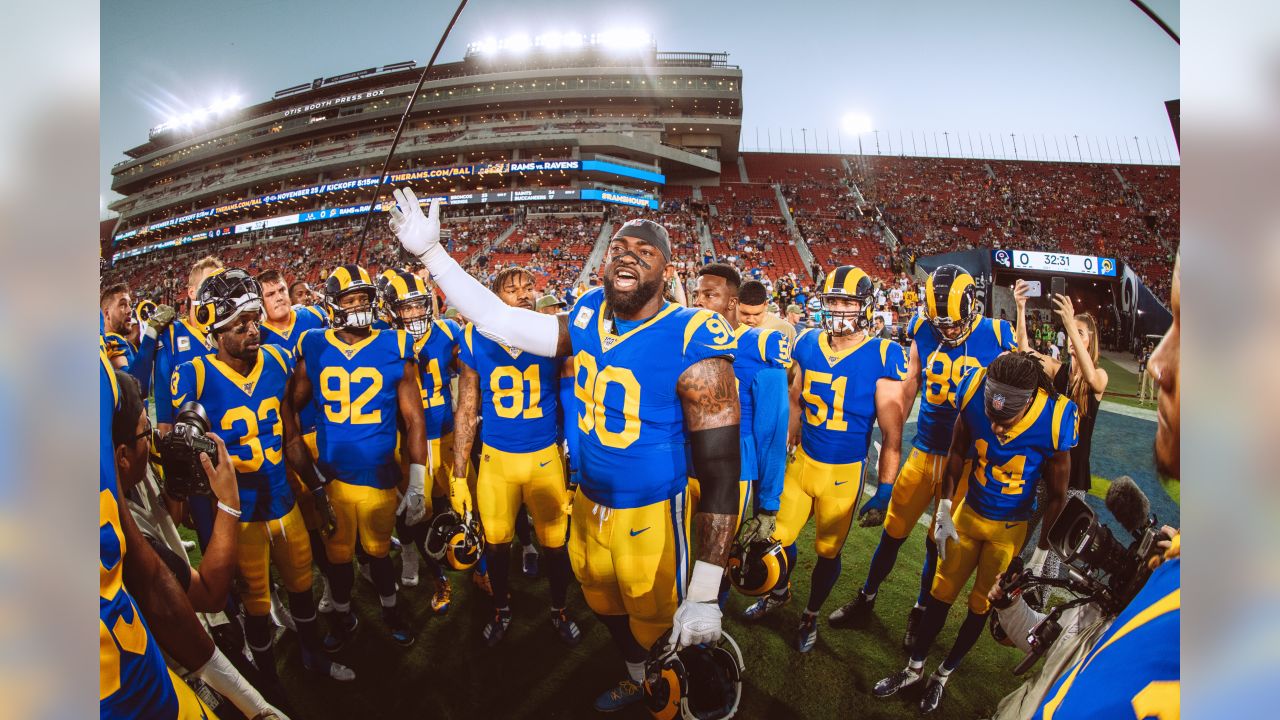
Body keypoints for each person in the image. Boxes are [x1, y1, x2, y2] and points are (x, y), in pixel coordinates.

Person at [390, 191, 741, 712]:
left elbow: (719, 471)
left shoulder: (692, 334)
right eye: (619, 247)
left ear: (666, 272)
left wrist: (707, 587)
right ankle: (639, 673)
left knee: (662, 621)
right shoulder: (587, 315)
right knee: (602, 601)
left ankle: (669, 692)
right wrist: (433, 256)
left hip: (651, 512)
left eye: (644, 252)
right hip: (588, 503)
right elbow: (503, 320)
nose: (628, 255)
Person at [173, 269, 352, 685]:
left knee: (302, 583)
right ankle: (269, 680)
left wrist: (318, 487)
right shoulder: (196, 374)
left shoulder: (275, 360)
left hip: (282, 499)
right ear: (216, 328)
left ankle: (311, 655)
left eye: (255, 320)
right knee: (255, 600)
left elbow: (291, 437)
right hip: (242, 513)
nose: (254, 330)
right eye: (241, 324)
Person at [873, 351, 1077, 714]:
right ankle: (914, 669)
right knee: (939, 594)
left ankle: (943, 675)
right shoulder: (972, 388)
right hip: (968, 514)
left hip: (1009, 529)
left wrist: (1042, 552)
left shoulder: (1056, 415)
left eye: (1006, 419)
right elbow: (956, 451)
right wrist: (946, 507)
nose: (996, 428)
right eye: (992, 416)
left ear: (1029, 401)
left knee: (980, 606)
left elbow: (1059, 495)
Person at [831, 264, 1017, 650]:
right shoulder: (923, 329)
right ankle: (866, 596)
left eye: (954, 323)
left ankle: (919, 609)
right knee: (893, 531)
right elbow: (910, 384)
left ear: (972, 305)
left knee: (939, 542)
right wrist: (891, 436)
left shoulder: (998, 335)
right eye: (941, 323)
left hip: (964, 462)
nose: (948, 331)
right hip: (926, 448)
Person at [1029, 253, 1180, 720]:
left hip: (1075, 472)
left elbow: (1082, 360)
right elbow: (1031, 353)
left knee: (1060, 536)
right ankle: (1032, 582)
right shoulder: (1066, 374)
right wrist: (1019, 313)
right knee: (1039, 528)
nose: (1155, 364)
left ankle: (1042, 591)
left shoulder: (1097, 377)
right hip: (1051, 464)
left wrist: (1075, 326)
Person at [741, 265, 907, 654]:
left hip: (843, 473)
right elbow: (797, 395)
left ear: (865, 307)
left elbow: (892, 436)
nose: (838, 310)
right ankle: (780, 592)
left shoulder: (884, 355)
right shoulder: (808, 342)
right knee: (775, 538)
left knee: (827, 551)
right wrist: (790, 433)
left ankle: (810, 615)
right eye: (833, 301)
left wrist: (885, 489)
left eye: (847, 303)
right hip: (803, 462)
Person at [285, 263, 430, 648]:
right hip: (331, 477)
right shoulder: (314, 343)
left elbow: (415, 419)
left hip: (380, 476)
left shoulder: (395, 343)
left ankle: (390, 610)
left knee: (379, 555)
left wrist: (416, 481)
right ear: (334, 304)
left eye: (365, 299)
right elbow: (289, 406)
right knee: (337, 558)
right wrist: (299, 453)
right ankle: (344, 613)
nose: (360, 307)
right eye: (350, 300)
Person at [451, 266, 582, 647]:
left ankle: (558, 609)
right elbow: (467, 406)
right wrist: (459, 473)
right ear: (495, 298)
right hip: (496, 461)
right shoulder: (474, 337)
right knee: (496, 543)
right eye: (512, 289)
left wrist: (575, 463)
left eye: (529, 287)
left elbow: (570, 398)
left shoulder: (551, 335)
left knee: (555, 545)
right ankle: (502, 609)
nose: (524, 294)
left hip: (544, 458)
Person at [688, 263, 791, 581]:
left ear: (731, 301)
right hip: (685, 462)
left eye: (709, 294)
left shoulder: (763, 345)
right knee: (681, 552)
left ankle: (707, 621)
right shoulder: (687, 334)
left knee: (716, 560)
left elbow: (772, 430)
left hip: (733, 467)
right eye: (697, 294)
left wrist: (769, 503)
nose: (699, 302)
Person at [379, 268, 458, 614]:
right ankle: (436, 575)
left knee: (456, 506)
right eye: (405, 308)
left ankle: (469, 562)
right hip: (411, 440)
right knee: (415, 513)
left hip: (449, 433)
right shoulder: (384, 342)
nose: (414, 314)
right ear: (389, 310)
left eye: (418, 305)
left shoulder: (448, 331)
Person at [154, 256, 225, 549]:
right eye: (210, 284)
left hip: (229, 438)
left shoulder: (225, 326)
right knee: (206, 528)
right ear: (192, 292)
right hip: (192, 446)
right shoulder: (172, 333)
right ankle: (223, 592)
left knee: (238, 521)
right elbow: (161, 387)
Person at [739, 279, 797, 346]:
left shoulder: (785, 329)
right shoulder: (727, 328)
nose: (751, 319)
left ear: (766, 305)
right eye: (745, 314)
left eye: (757, 314)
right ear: (735, 304)